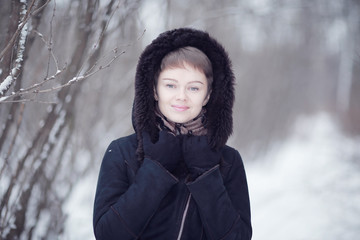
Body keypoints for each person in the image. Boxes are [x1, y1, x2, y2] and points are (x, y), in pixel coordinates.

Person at [93, 28, 252, 240]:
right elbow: (107, 235)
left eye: (194, 88)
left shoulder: (228, 161)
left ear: (207, 96)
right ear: (154, 90)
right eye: (170, 85)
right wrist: (155, 170)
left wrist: (206, 175)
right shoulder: (122, 153)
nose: (181, 97)